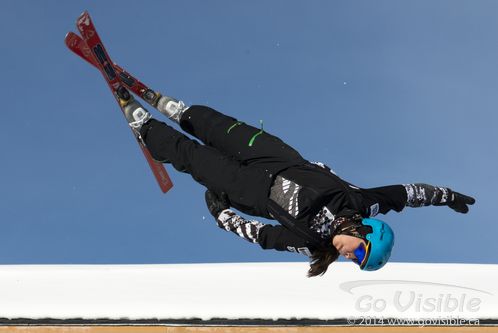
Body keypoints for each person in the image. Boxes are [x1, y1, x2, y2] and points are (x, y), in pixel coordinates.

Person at [122, 92, 475, 277]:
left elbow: (265, 237)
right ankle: (180, 111)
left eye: (356, 261)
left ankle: (146, 127)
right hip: (277, 158)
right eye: (360, 252)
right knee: (219, 128)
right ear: (367, 231)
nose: (350, 256)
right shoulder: (361, 202)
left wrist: (224, 219)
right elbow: (408, 194)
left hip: (250, 192)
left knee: (192, 159)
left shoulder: (314, 244)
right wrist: (447, 196)